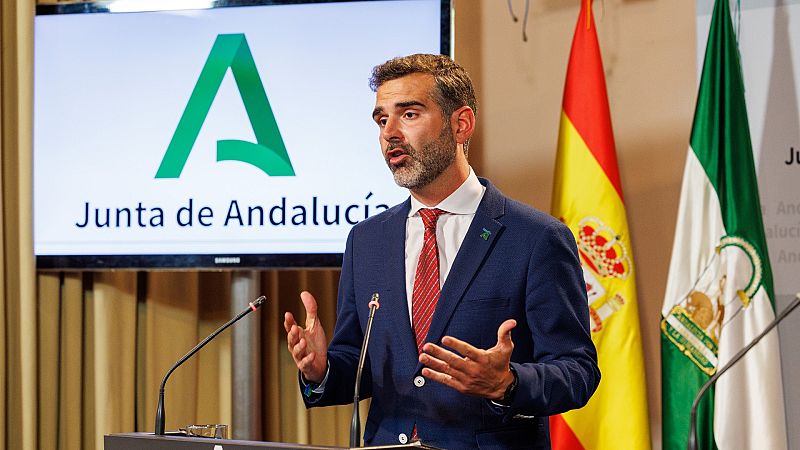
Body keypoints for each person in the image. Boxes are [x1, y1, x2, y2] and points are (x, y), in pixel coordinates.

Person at [284, 54, 599, 449]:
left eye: (409, 115)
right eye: (382, 120)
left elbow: (578, 370)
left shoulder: (536, 238)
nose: (390, 133)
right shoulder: (367, 240)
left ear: (461, 123)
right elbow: (360, 365)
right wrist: (321, 371)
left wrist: (507, 383)